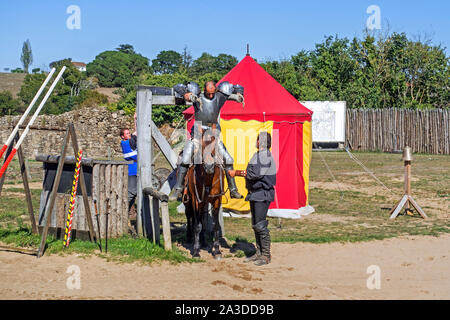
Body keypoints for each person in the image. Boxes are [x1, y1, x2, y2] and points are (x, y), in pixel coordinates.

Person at [172, 80, 245, 201]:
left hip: (213, 134)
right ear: (204, 90)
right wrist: (187, 95)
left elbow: (234, 94)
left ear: (215, 90)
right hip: (197, 134)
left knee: (228, 159)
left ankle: (233, 190)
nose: (211, 96)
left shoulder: (220, 97)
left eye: (212, 93)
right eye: (208, 93)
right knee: (185, 159)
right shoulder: (197, 96)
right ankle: (178, 189)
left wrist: (239, 96)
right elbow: (179, 89)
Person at [230, 131, 276, 266]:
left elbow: (253, 174)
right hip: (255, 194)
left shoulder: (265, 156)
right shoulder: (259, 155)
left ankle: (266, 255)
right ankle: (259, 252)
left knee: (261, 225)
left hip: (262, 194)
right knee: (256, 225)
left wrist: (236, 173)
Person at [120, 113, 138, 213]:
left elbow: (136, 132)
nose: (129, 134)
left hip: (136, 169)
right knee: (131, 192)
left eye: (129, 133)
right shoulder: (125, 143)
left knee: (134, 193)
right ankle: (122, 211)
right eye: (127, 133)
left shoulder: (129, 141)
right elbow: (135, 156)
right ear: (123, 136)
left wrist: (135, 119)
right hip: (132, 170)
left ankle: (126, 212)